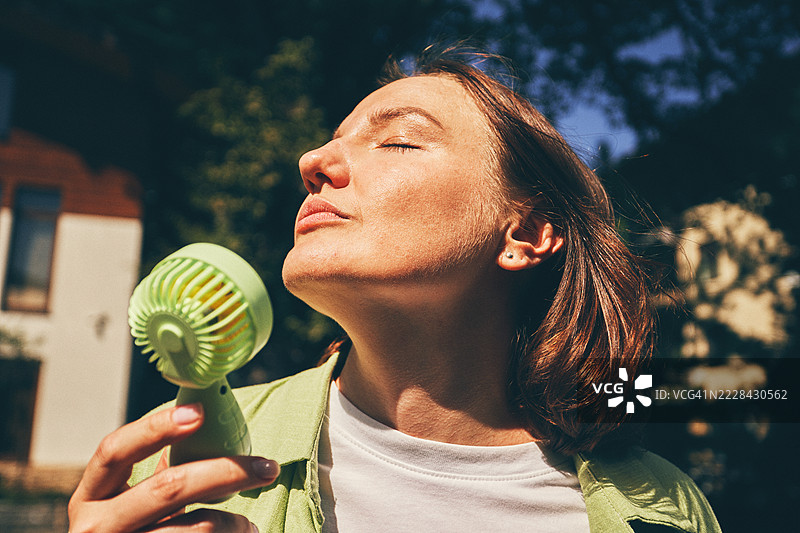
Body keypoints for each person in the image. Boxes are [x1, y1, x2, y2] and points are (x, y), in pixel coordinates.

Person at [68, 50, 721, 532]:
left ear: (524, 232)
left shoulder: (666, 508)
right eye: (333, 138)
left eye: (399, 139)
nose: (313, 161)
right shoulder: (192, 462)